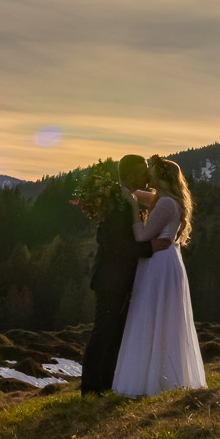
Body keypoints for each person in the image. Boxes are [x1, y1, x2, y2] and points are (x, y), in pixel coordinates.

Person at [110, 155, 207, 398]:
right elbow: (132, 192)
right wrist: (122, 191)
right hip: (164, 262)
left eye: (151, 170)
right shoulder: (164, 199)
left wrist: (132, 209)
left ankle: (154, 380)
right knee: (157, 316)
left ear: (161, 177)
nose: (148, 175)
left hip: (158, 264)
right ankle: (156, 376)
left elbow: (142, 236)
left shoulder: (165, 204)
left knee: (152, 315)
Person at [81, 153, 150, 395]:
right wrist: (149, 249)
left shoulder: (126, 198)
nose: (147, 175)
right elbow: (113, 242)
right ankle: (90, 388)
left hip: (119, 278)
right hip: (110, 278)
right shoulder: (116, 201)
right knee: (103, 332)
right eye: (144, 171)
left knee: (115, 333)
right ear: (132, 175)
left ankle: (106, 384)